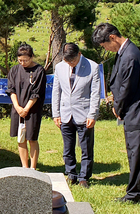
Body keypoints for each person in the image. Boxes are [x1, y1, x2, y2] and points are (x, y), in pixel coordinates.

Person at [93, 23, 140, 203]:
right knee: (133, 153)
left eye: (105, 45)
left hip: (138, 113)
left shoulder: (130, 55)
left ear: (112, 37)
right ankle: (134, 192)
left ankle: (135, 195)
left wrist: (117, 107)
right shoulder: (124, 51)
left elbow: (127, 87)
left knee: (137, 156)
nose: (106, 49)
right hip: (132, 113)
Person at [52, 43, 101, 189]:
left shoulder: (93, 67)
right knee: (68, 148)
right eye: (67, 62)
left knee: (85, 147)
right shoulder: (60, 67)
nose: (70, 64)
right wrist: (56, 113)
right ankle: (71, 174)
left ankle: (84, 177)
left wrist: (92, 114)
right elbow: (57, 91)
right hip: (65, 113)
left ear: (79, 54)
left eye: (72, 61)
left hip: (84, 113)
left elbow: (95, 93)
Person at [6, 43, 47, 169]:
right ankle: (25, 166)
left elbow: (37, 93)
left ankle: (33, 167)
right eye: (20, 60)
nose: (23, 63)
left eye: (26, 60)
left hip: (32, 110)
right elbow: (11, 90)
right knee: (20, 138)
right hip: (17, 109)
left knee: (32, 138)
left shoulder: (39, 71)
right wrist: (18, 107)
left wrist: (26, 108)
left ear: (32, 57)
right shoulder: (14, 70)